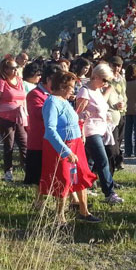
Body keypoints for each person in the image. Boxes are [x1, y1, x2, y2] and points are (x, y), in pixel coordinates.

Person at [40, 71, 100, 224]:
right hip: (61, 146)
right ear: (62, 86)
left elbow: (71, 121)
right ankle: (60, 217)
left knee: (81, 175)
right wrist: (66, 152)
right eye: (71, 87)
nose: (73, 90)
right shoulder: (52, 102)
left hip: (76, 143)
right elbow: (50, 129)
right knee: (64, 179)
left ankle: (84, 211)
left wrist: (80, 133)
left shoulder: (65, 101)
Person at [76, 63, 124, 204]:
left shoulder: (96, 90)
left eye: (107, 81)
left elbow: (101, 106)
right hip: (90, 131)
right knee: (102, 161)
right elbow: (78, 113)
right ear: (95, 76)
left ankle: (83, 186)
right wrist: (85, 116)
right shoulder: (85, 92)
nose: (105, 83)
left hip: (101, 130)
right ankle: (109, 193)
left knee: (89, 162)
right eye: (104, 80)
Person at [25, 63, 61, 208]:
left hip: (54, 139)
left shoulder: (55, 95)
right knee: (39, 174)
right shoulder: (35, 94)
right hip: (39, 140)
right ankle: (38, 201)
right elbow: (38, 113)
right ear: (48, 79)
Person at [0, 57, 28, 182]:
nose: (16, 69)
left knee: (24, 143)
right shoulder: (1, 81)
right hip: (5, 118)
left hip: (19, 117)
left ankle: (28, 169)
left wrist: (27, 116)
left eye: (17, 67)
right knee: (9, 145)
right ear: (6, 69)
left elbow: (24, 99)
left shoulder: (19, 80)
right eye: (13, 67)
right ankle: (8, 171)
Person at [106, 56, 127, 172]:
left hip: (122, 112)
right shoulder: (107, 79)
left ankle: (118, 161)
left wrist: (124, 105)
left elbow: (124, 95)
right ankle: (114, 163)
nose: (116, 68)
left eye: (118, 66)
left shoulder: (122, 79)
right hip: (110, 114)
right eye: (114, 65)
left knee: (119, 140)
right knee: (113, 144)